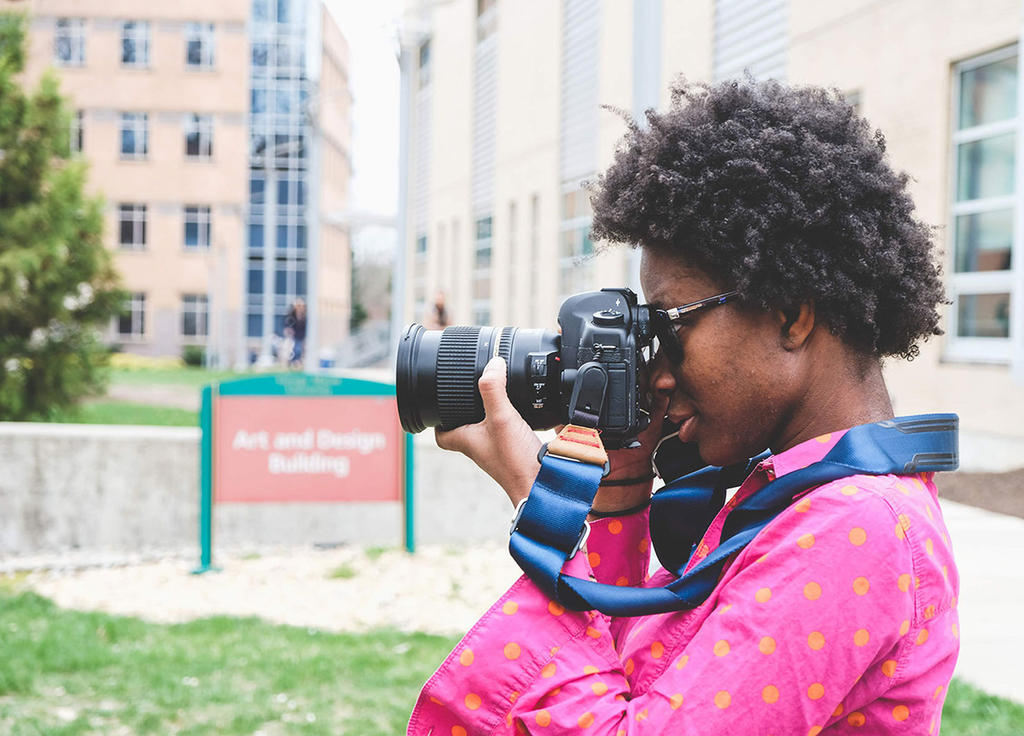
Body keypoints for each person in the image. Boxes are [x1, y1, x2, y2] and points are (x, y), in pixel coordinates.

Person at [407, 78, 958, 735]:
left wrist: (539, 500)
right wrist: (619, 482)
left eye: (668, 328)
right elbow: (623, 677)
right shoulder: (798, 500)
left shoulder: (858, 528)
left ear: (789, 315)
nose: (657, 373)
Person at [283, 298, 306, 368]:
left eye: (301, 306)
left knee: (298, 350)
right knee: (292, 351)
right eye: (298, 306)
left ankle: (296, 363)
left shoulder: (304, 317)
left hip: (301, 337)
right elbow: (286, 327)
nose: (299, 308)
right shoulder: (290, 316)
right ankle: (292, 363)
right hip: (292, 338)